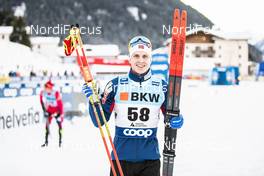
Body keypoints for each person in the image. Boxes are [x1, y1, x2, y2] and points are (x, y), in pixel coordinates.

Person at [82, 36, 184, 176]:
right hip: (121, 160)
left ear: (150, 59)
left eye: (145, 56)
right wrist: (93, 101)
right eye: (136, 55)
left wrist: (177, 119)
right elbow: (99, 121)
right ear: (130, 58)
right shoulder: (115, 85)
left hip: (150, 161)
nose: (140, 60)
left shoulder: (162, 87)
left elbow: (170, 118)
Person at [40, 80, 64, 147]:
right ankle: (46, 142)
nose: (45, 89)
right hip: (50, 110)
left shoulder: (55, 93)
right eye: (44, 88)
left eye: (46, 88)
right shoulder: (43, 92)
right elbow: (41, 101)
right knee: (47, 125)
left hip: (57, 110)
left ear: (50, 88)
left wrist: (60, 114)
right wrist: (44, 110)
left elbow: (61, 105)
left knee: (59, 124)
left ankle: (60, 142)